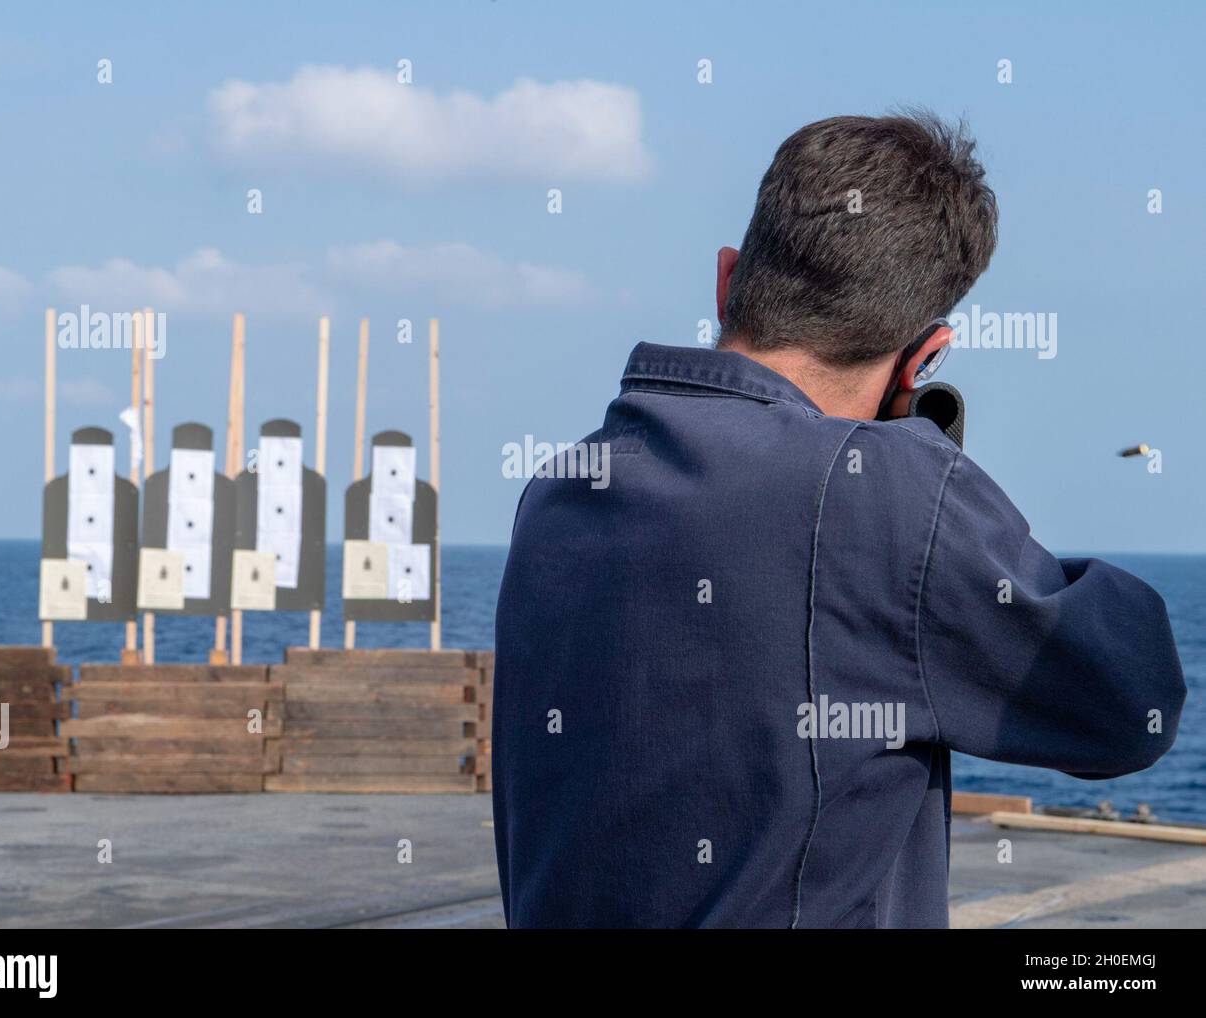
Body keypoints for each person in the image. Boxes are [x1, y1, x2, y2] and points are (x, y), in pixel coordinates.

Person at [490, 112, 1185, 928]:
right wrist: (931, 470)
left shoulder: (558, 488)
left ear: (726, 280)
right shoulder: (885, 495)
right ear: (926, 356)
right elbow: (1131, 705)